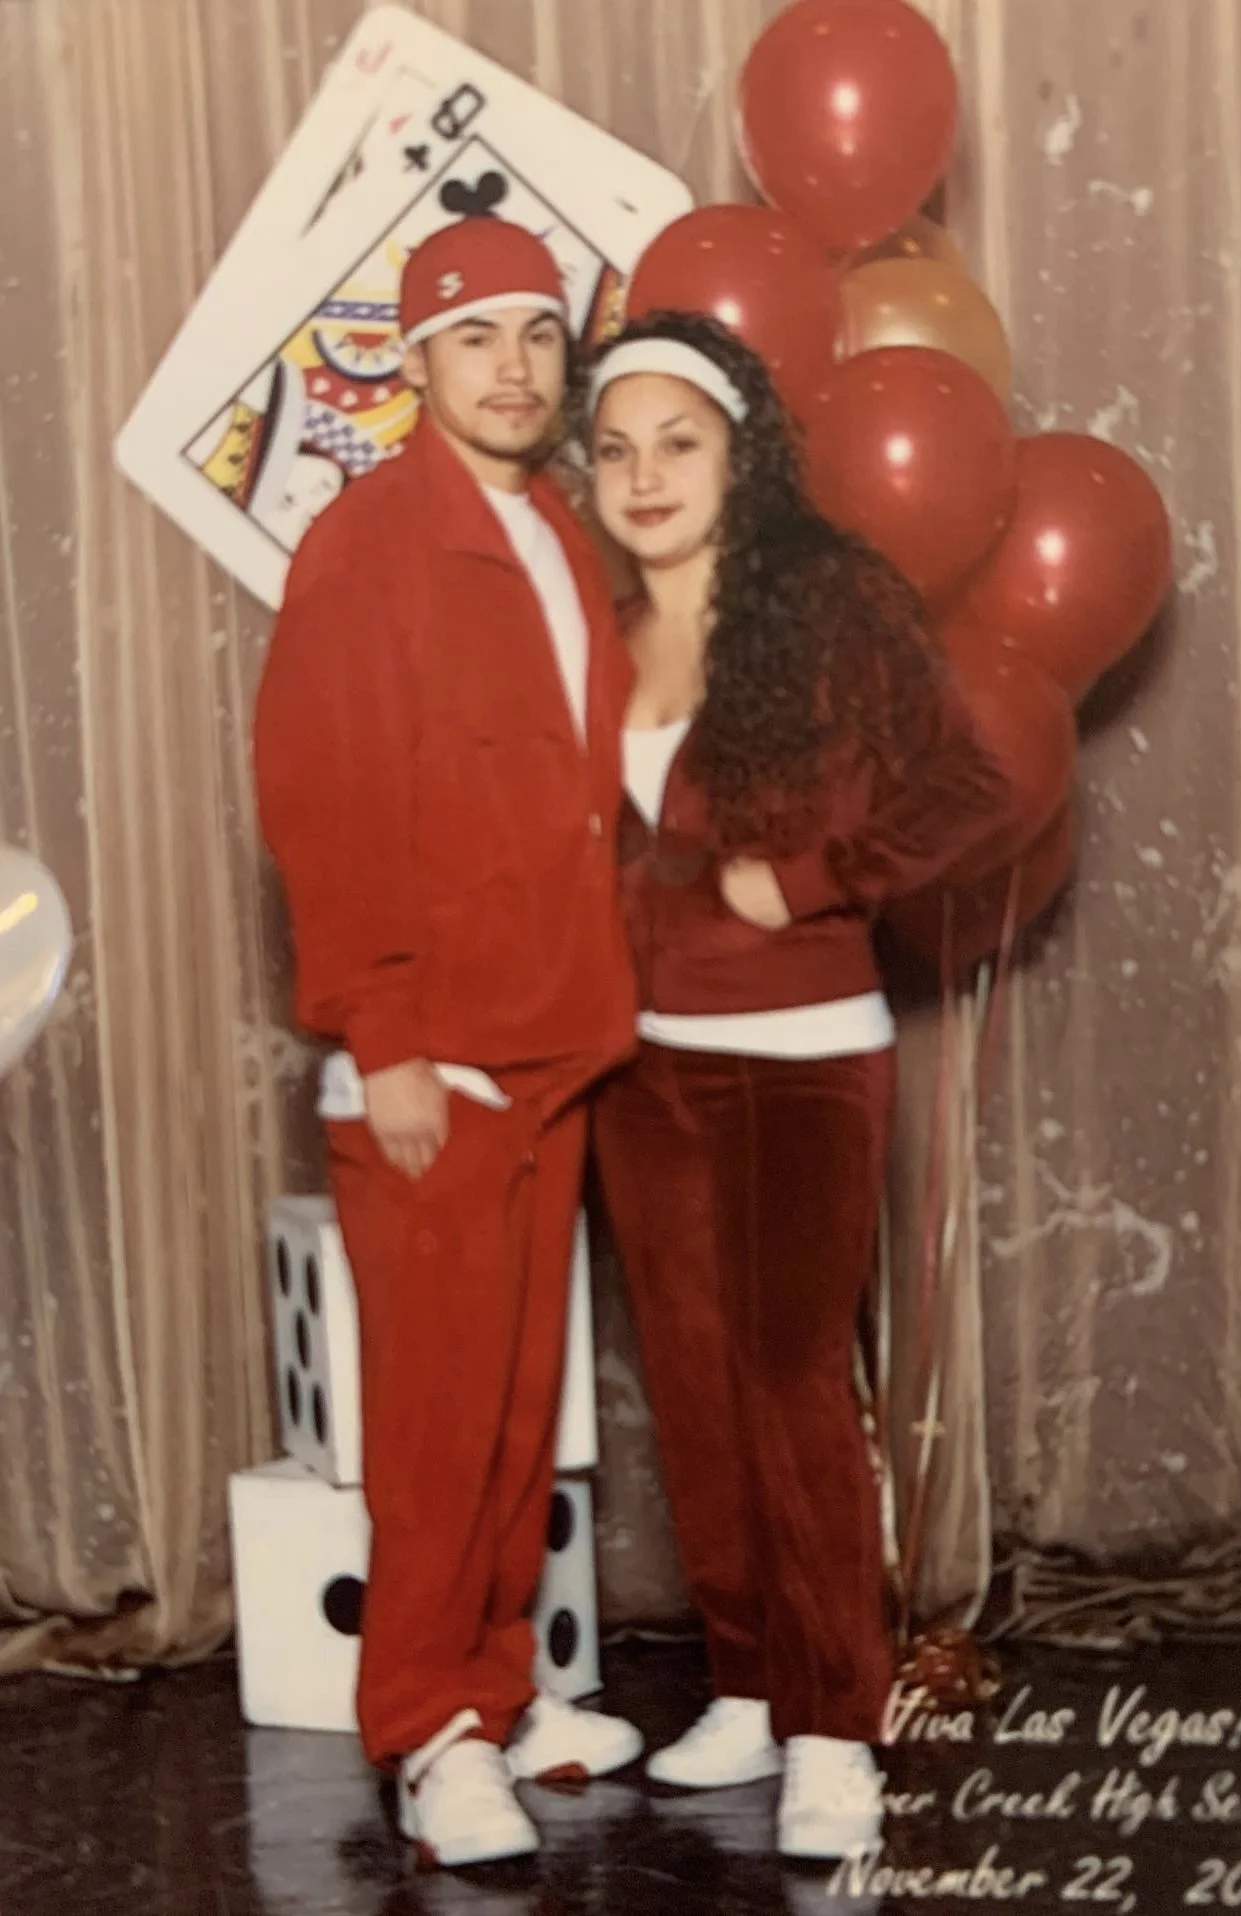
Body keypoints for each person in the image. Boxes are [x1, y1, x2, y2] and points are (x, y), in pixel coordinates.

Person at [582, 311, 1015, 1861]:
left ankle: (839, 1722)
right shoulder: (594, 623)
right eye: (617, 448)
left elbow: (974, 783)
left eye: (677, 442)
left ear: (740, 450)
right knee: (694, 1398)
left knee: (786, 1390)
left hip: (800, 1065)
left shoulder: (828, 606)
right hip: (639, 1068)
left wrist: (819, 877)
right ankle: (755, 1689)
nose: (645, 475)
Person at [253, 219, 644, 1871]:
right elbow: (322, 803)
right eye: (474, 338)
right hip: (436, 1059)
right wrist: (387, 1034)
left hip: (552, 1040)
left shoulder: (558, 529)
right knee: (431, 1426)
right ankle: (425, 1729)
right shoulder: (369, 543)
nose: (512, 367)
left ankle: (501, 1689)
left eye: (538, 339)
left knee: (510, 1415)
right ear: (414, 364)